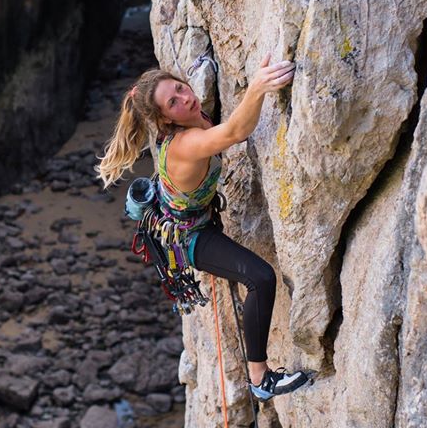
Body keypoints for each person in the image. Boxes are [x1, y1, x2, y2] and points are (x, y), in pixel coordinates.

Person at [97, 54, 309, 401]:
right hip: (190, 237)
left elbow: (205, 111)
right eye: (173, 102)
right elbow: (237, 131)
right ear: (165, 120)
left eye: (181, 88)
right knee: (260, 278)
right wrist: (258, 87)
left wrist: (200, 69)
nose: (186, 99)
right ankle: (261, 379)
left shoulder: (193, 114)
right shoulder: (185, 144)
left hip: (187, 214)